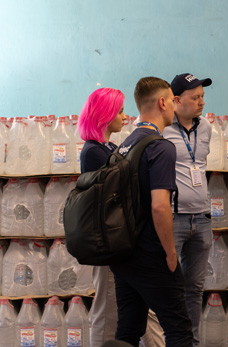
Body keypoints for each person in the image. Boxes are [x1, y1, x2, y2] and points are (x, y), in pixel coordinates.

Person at [110, 77, 192, 347]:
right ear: (162, 102)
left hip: (123, 254)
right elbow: (159, 206)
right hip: (151, 253)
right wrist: (170, 252)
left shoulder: (123, 146)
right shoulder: (160, 146)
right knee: (178, 329)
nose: (174, 106)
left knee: (129, 330)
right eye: (172, 100)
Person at [163, 73, 213, 346]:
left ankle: (190, 342)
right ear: (176, 100)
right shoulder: (162, 128)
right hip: (173, 218)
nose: (201, 102)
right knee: (167, 289)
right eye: (195, 97)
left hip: (202, 219)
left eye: (202, 97)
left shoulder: (205, 127)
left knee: (194, 290)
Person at [77, 87, 126, 347]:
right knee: (106, 311)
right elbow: (109, 195)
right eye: (119, 111)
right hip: (105, 240)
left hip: (113, 238)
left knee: (114, 309)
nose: (123, 116)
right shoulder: (94, 152)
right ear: (105, 115)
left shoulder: (108, 147)